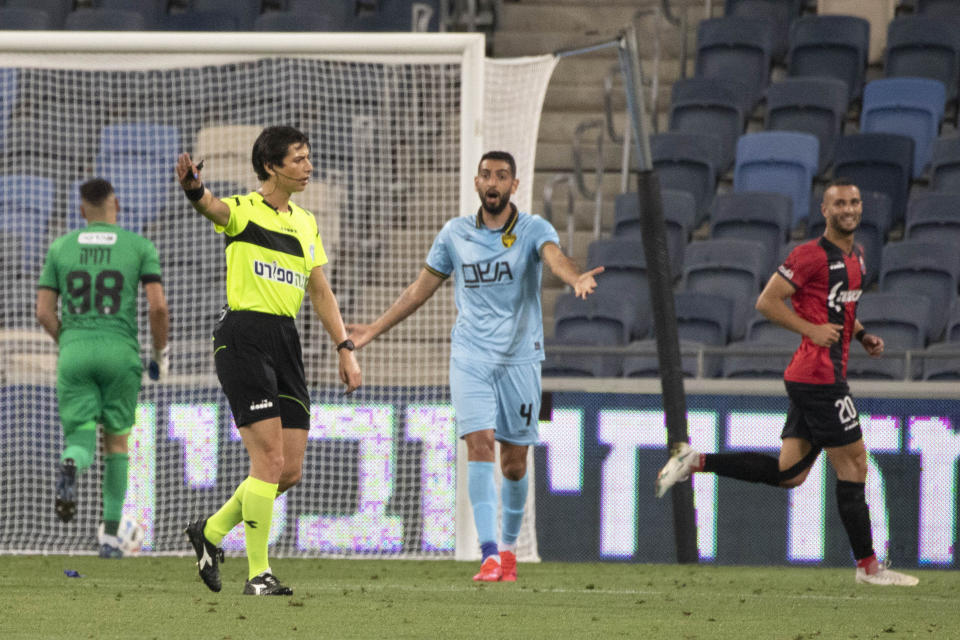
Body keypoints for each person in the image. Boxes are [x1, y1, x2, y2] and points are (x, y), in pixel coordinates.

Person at [347, 151, 603, 582]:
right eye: (486, 174)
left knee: (514, 463)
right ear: (476, 182)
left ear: (514, 186)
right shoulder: (455, 234)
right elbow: (420, 289)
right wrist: (374, 328)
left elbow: (554, 256)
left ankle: (508, 549)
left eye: (502, 176)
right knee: (479, 444)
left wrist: (573, 278)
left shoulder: (532, 228)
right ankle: (487, 555)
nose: (493, 182)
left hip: (521, 359)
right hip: (470, 357)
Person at [656, 178, 918, 587]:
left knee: (790, 473)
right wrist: (811, 331)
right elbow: (767, 301)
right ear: (825, 211)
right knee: (855, 462)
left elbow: (840, 309)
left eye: (854, 202)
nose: (848, 209)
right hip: (819, 378)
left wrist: (862, 334)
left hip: (815, 376)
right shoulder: (809, 255)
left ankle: (695, 461)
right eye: (839, 204)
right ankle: (868, 566)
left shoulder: (859, 257)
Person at [175, 125, 361, 596]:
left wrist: (344, 346)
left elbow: (320, 289)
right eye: (298, 159)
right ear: (270, 166)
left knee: (289, 469)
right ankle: (258, 574)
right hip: (244, 335)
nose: (308, 167)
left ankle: (211, 532)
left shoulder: (306, 222)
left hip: (286, 339)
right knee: (269, 458)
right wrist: (194, 188)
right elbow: (210, 207)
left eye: (308, 157)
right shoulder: (242, 210)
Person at [36, 178, 170, 558]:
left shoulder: (61, 247)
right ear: (118, 205)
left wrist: (71, 342)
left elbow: (43, 312)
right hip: (120, 352)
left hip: (75, 350)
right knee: (117, 443)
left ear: (81, 211)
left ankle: (71, 463)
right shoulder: (138, 246)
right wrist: (160, 354)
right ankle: (110, 539)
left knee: (79, 437)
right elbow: (158, 308)